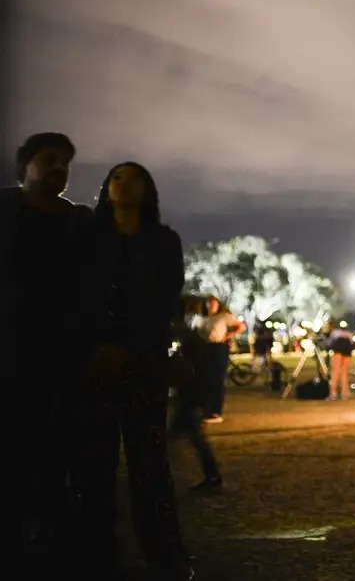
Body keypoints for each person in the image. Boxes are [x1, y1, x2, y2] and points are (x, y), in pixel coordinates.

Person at [74, 162, 193, 578]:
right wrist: (97, 345)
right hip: (95, 364)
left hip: (145, 364)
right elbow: (76, 296)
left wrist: (141, 349)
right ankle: (97, 550)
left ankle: (164, 552)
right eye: (117, 178)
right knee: (95, 463)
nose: (124, 185)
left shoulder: (163, 241)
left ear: (149, 191)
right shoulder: (87, 236)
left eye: (134, 179)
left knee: (150, 464)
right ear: (106, 188)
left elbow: (164, 300)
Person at [1, 133, 92, 566]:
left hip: (67, 360)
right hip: (12, 356)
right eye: (49, 159)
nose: (59, 167)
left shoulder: (80, 222)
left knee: (61, 457)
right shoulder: (3, 210)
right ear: (25, 166)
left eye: (65, 162)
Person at [170, 296, 223, 492]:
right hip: (191, 393)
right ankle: (210, 474)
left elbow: (197, 368)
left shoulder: (190, 336)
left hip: (191, 393)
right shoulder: (190, 334)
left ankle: (210, 474)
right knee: (190, 436)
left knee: (188, 436)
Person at [198, 296, 244, 423]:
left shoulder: (223, 316)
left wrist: (228, 335)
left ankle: (216, 411)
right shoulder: (204, 318)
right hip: (206, 348)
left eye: (214, 303)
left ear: (218, 305)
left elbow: (240, 326)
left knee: (218, 379)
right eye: (209, 303)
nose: (212, 305)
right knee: (207, 379)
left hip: (219, 347)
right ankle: (207, 409)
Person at [327, 321, 355, 400]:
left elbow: (329, 343)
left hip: (338, 351)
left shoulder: (334, 332)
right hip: (347, 350)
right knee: (344, 372)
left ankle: (333, 393)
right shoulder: (349, 333)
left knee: (336, 371)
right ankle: (344, 394)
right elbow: (352, 342)